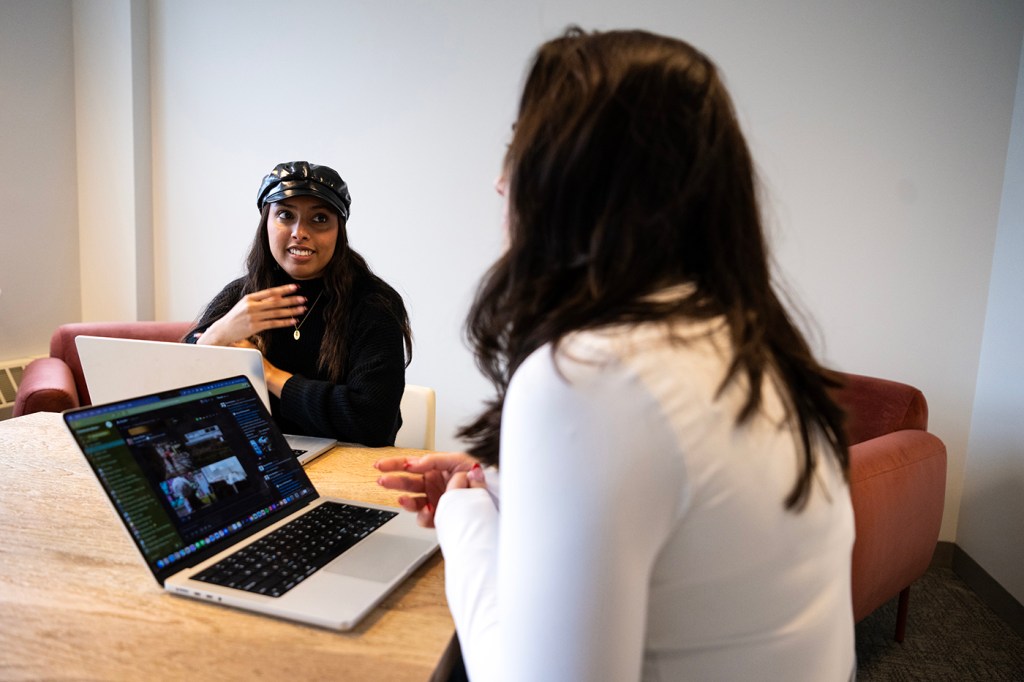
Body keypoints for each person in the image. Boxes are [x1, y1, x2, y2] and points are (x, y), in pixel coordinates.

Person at [376, 27, 856, 681]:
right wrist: (500, 484)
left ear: (576, 180)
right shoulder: (746, 346)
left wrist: (464, 519)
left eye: (520, 146)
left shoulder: (593, 375)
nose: (498, 181)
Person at [184, 161, 412, 446]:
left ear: (339, 230)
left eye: (319, 219)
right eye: (285, 215)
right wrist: (217, 335)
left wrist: (266, 372)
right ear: (265, 223)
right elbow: (169, 397)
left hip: (350, 464)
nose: (299, 232)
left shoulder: (375, 304)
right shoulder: (240, 297)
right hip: (258, 459)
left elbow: (371, 423)